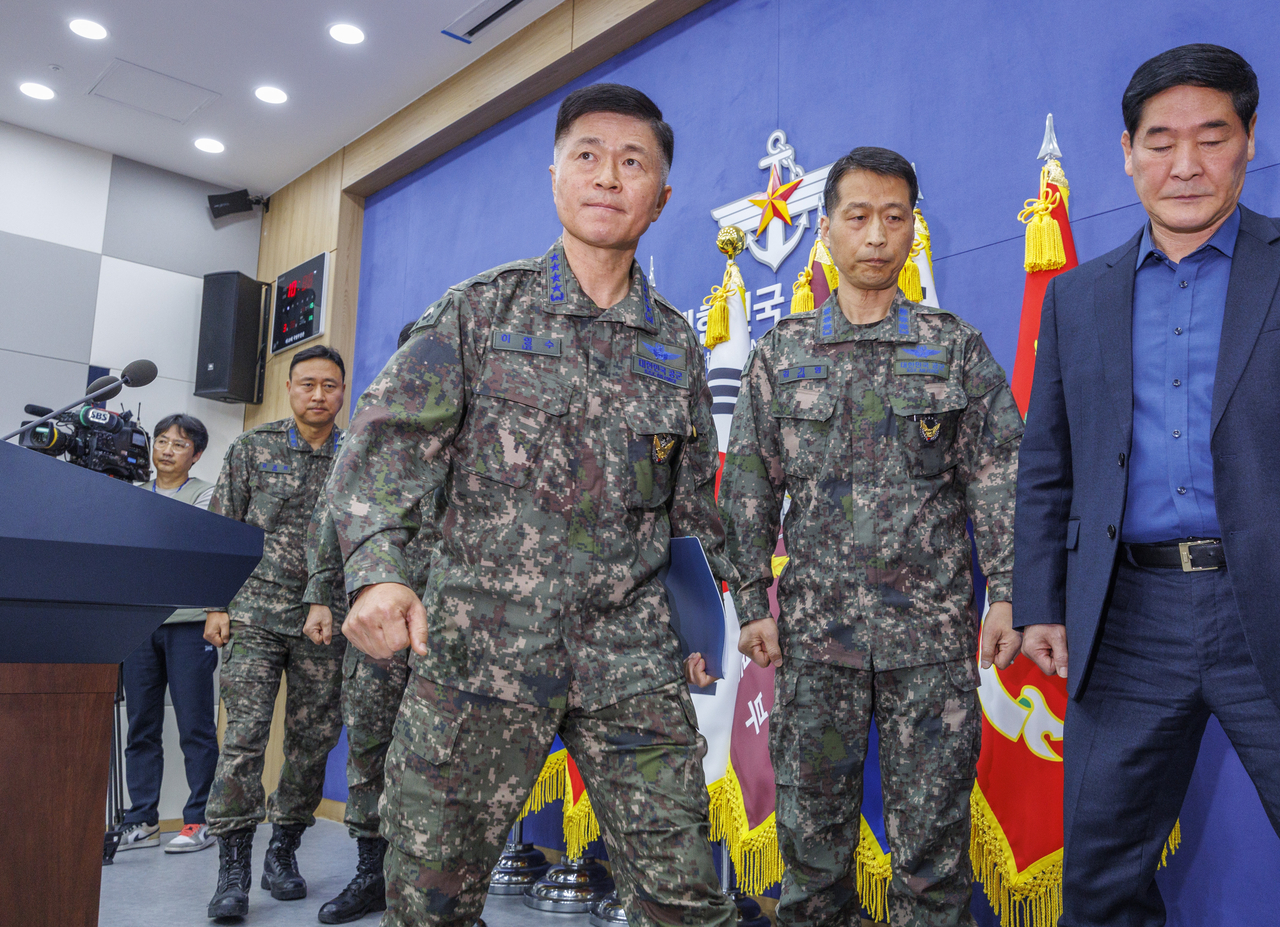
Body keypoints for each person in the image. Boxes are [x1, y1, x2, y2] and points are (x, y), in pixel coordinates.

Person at [324, 83, 736, 927]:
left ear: (660, 199)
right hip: (478, 650)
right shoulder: (479, 311)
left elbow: (690, 508)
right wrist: (377, 575)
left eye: (633, 163)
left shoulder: (677, 347)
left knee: (688, 895)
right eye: (587, 155)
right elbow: (383, 451)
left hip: (629, 660)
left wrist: (700, 630)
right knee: (430, 900)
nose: (608, 177)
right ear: (554, 177)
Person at [712, 147, 1023, 927]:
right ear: (826, 231)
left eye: (894, 217)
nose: (876, 235)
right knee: (813, 861)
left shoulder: (954, 348)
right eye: (858, 217)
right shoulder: (782, 356)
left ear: (913, 228)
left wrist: (1011, 593)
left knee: (933, 858)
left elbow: (1002, 477)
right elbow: (748, 485)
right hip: (815, 647)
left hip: (932, 646)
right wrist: (752, 600)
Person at [1015, 44, 1280, 926]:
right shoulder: (1078, 297)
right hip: (1128, 616)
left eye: (1213, 136)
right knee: (1099, 877)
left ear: (1249, 141)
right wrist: (1037, 600)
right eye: (1160, 141)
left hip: (1268, 605)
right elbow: (1048, 463)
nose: (1187, 164)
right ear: (1126, 152)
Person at [302, 323, 446, 925]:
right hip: (379, 618)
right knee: (369, 744)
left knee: (448, 759)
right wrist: (319, 595)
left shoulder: (488, 426)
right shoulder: (379, 425)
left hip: (455, 622)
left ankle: (445, 895)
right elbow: (338, 510)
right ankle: (371, 872)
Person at [203, 344, 350, 921]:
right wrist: (216, 605)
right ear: (290, 389)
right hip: (255, 613)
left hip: (326, 620)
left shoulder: (358, 455)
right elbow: (222, 530)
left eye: (330, 386)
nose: (319, 395)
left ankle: (283, 852)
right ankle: (232, 871)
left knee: (312, 743)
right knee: (242, 740)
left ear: (342, 391)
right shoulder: (251, 449)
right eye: (308, 384)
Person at [115, 414, 219, 854]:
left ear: (195, 455)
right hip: (138, 623)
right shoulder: (132, 495)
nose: (167, 450)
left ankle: (199, 820)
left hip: (190, 623)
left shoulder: (207, 495)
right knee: (140, 725)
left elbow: (189, 545)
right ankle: (142, 819)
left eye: (179, 444)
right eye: (161, 441)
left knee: (195, 725)